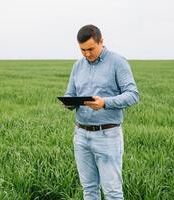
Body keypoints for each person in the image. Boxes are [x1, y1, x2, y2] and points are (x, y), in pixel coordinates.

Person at [64, 24, 139, 200]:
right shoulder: (78, 66)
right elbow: (70, 93)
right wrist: (68, 103)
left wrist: (105, 103)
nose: (87, 54)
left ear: (101, 41)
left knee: (112, 192)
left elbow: (133, 95)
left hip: (107, 135)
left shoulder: (117, 62)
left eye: (90, 49)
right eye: (82, 50)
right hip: (81, 136)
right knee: (89, 189)